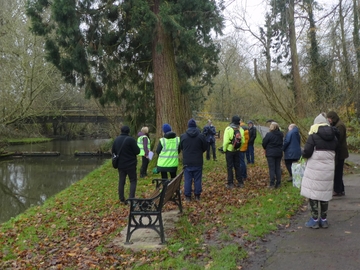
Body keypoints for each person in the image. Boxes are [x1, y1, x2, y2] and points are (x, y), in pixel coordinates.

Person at [301, 113, 338, 229]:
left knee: (313, 193)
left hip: (315, 169)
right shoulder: (334, 136)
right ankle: (324, 219)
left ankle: (315, 219)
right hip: (328, 169)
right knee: (324, 193)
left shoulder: (313, 136)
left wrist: (302, 153)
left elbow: (307, 152)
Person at [180, 119, 208, 201]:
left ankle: (188, 196)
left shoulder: (183, 136)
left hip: (187, 161)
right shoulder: (201, 136)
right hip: (198, 161)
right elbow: (205, 147)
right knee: (197, 179)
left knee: (187, 179)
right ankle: (197, 195)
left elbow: (181, 147)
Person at [111, 125, 140, 204]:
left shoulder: (116, 140)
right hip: (131, 164)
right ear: (128, 131)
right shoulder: (131, 140)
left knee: (121, 181)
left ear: (121, 131)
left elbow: (113, 151)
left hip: (121, 165)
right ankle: (131, 198)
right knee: (133, 180)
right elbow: (137, 151)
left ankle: (121, 199)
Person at [326, 111, 349, 196]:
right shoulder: (337, 125)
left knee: (338, 172)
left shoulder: (340, 126)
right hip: (339, 152)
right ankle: (340, 189)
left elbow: (338, 138)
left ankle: (338, 189)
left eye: (329, 119)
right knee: (338, 171)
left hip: (340, 153)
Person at [223, 116, 245, 189]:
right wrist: (239, 147)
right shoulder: (241, 129)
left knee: (229, 167)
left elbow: (226, 141)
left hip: (229, 150)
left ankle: (230, 183)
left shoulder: (228, 129)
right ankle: (240, 182)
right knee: (237, 166)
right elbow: (243, 141)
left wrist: (224, 149)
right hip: (237, 150)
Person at [262, 122, 283, 189]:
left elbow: (264, 143)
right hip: (279, 152)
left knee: (272, 168)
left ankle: (272, 184)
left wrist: (266, 148)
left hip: (270, 153)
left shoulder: (269, 134)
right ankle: (278, 183)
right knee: (278, 167)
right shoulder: (281, 134)